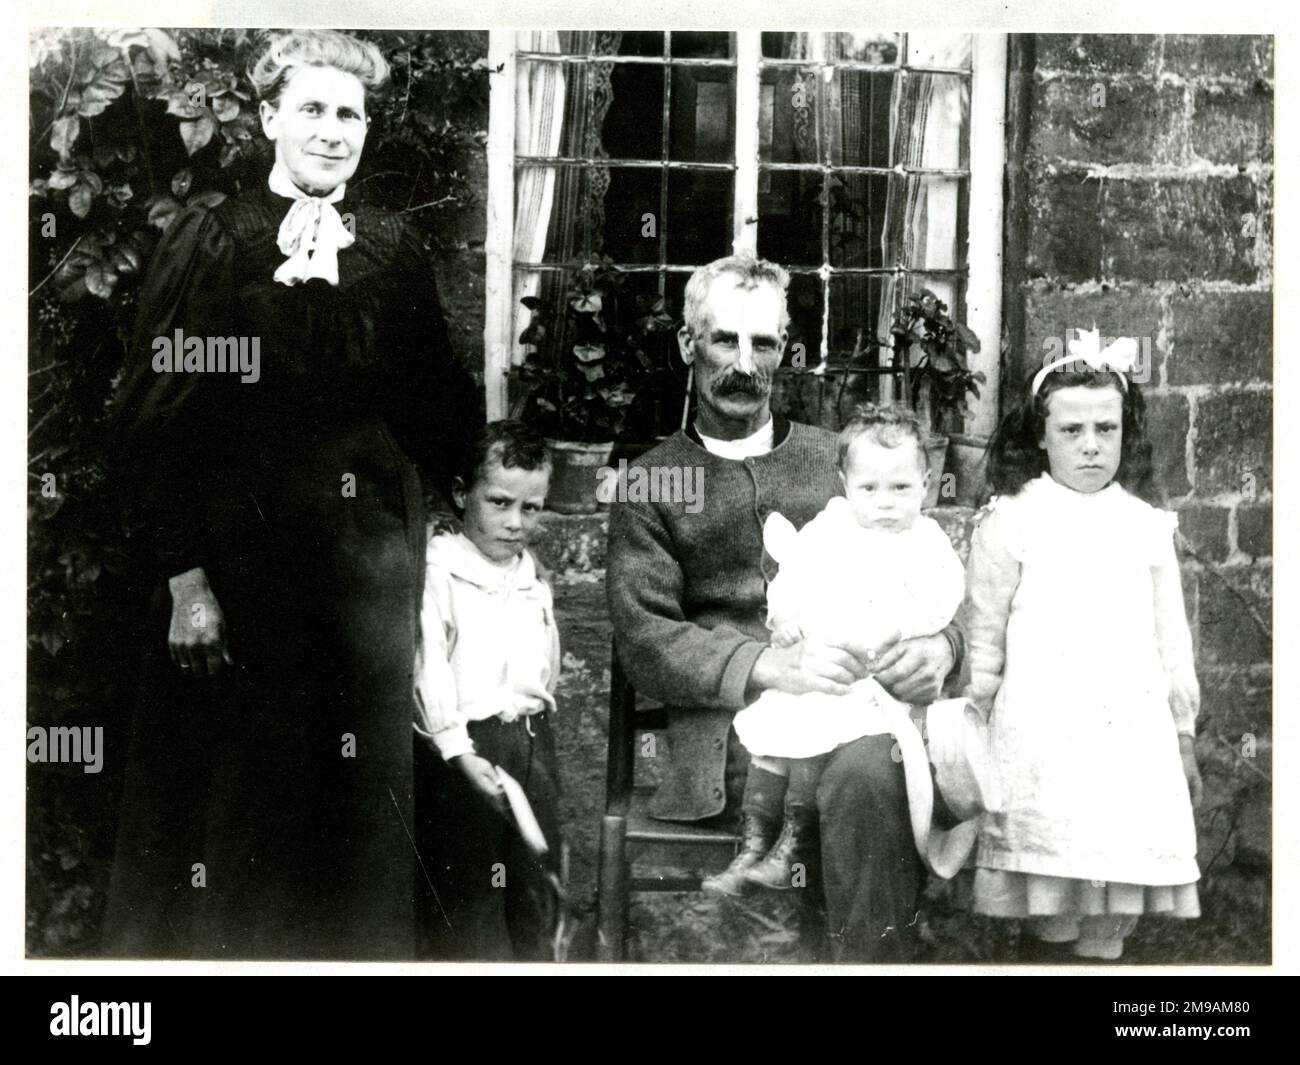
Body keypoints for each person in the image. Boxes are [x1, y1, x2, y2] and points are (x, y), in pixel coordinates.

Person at [103, 30, 482, 959]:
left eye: (348, 114)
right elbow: (152, 422)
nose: (331, 131)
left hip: (364, 576)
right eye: (310, 109)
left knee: (358, 806)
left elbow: (439, 416)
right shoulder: (215, 239)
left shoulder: (391, 248)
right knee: (242, 802)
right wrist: (188, 580)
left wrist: (434, 534)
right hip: (241, 570)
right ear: (269, 119)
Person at [605, 254, 965, 961]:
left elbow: (933, 569)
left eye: (763, 343)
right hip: (736, 741)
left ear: (784, 353)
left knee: (870, 770)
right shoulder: (654, 479)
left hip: (859, 709)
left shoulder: (844, 462)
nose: (744, 363)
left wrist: (943, 648)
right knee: (858, 779)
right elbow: (645, 636)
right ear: (688, 345)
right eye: (723, 340)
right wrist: (771, 665)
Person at [966, 329, 1202, 962]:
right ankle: (1048, 952)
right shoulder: (1011, 519)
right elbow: (984, 639)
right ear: (1041, 436)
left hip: (1129, 736)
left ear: (1127, 432)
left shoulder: (1146, 526)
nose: (1092, 445)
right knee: (1050, 883)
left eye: (1107, 428)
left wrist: (1183, 734)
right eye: (1072, 431)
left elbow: (1170, 639)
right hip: (1040, 735)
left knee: (1112, 888)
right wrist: (974, 727)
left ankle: (1104, 957)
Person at [712, 404, 966, 894]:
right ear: (844, 484)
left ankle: (791, 847)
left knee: (824, 737)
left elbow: (945, 597)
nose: (885, 503)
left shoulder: (928, 541)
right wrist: (786, 621)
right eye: (869, 488)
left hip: (878, 686)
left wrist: (912, 628)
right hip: (820, 668)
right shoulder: (829, 529)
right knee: (777, 728)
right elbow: (794, 576)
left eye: (901, 488)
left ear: (927, 483)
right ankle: (752, 845)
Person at [413, 420, 563, 960]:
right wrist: (455, 747)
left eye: (531, 508)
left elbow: (546, 661)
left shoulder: (529, 575)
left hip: (529, 743)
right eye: (498, 503)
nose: (514, 523)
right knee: (469, 895)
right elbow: (428, 666)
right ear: (461, 494)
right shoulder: (440, 572)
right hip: (466, 751)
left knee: (535, 881)